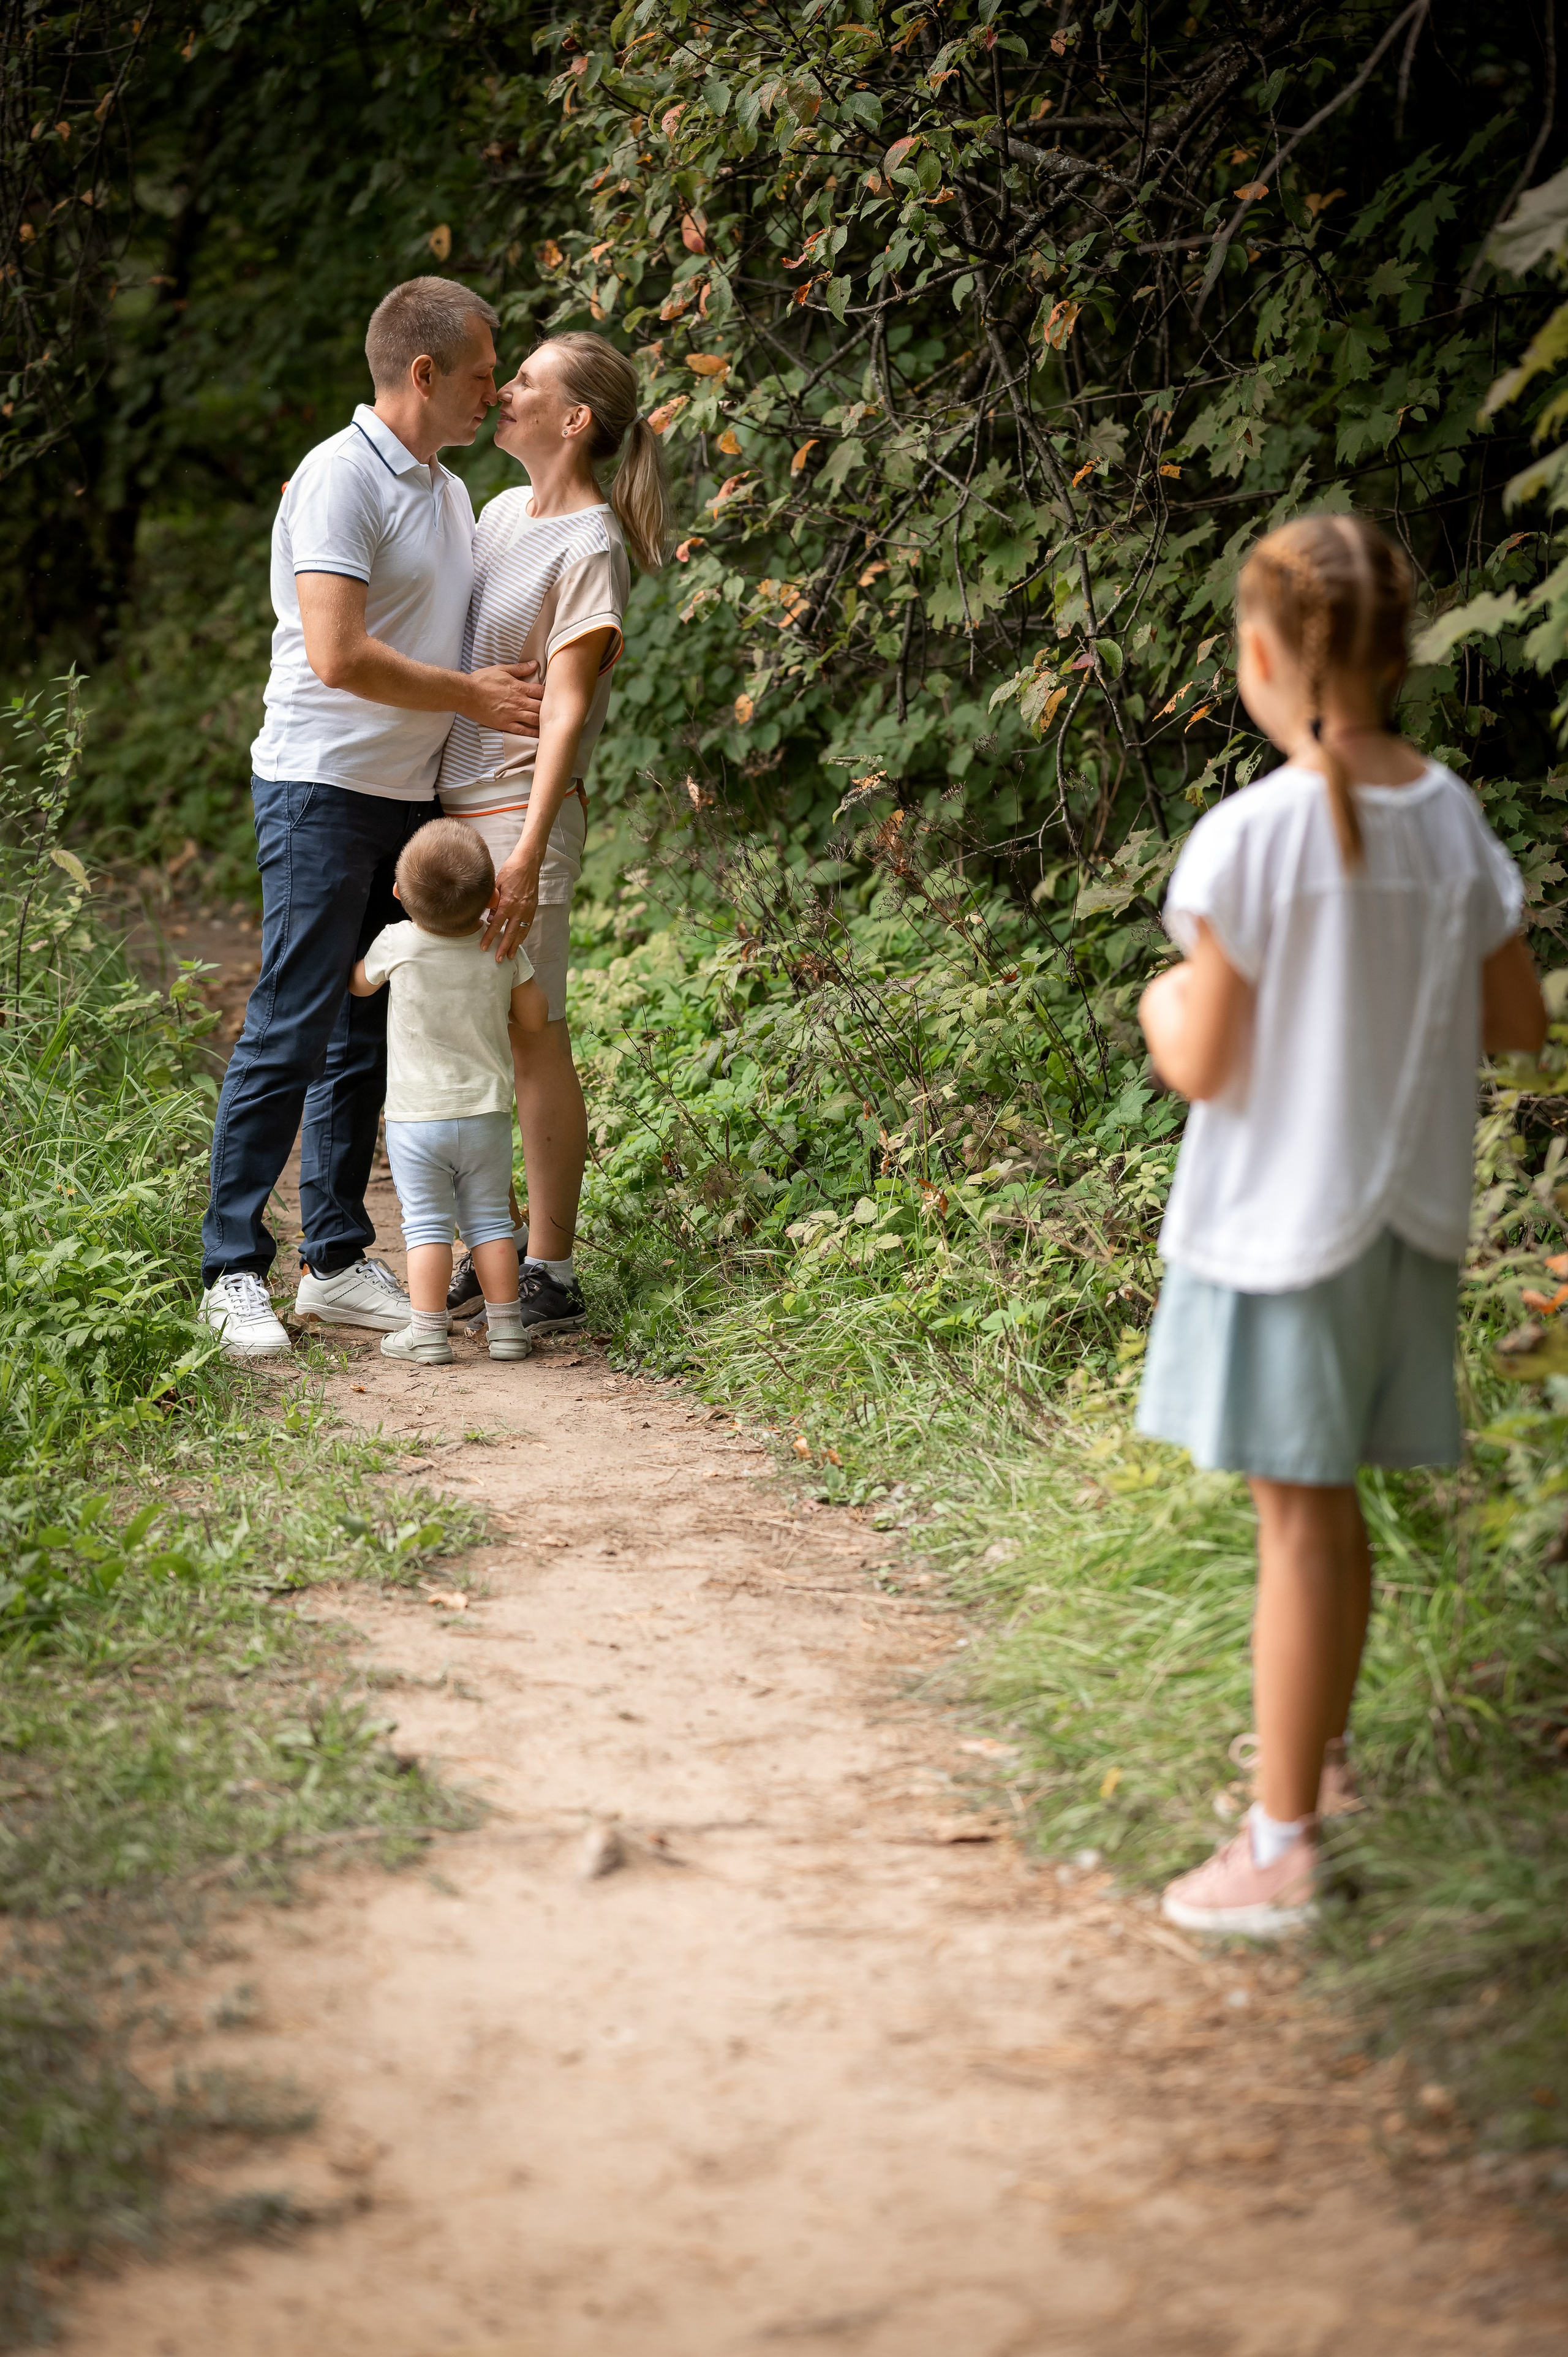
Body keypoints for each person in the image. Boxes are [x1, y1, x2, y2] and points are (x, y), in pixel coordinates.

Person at [1135, 512, 1547, 1939]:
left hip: (1278, 1228)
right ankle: (1312, 1767)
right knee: (1327, 1515)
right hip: (1403, 1224)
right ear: (1395, 653)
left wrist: (1156, 1000)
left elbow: (1200, 1059)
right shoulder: (1448, 816)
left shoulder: (1246, 838)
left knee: (1295, 1528)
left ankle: (1280, 1845)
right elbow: (1516, 1021)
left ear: (1259, 654)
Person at [198, 276, 545, 1359]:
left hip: (406, 794)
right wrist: (473, 697)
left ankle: (337, 1262)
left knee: (364, 1034)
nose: (496, 390)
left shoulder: (442, 488)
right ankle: (228, 1268)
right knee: (294, 1019)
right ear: (425, 372)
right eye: (485, 373)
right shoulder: (341, 478)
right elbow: (338, 652)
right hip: (319, 785)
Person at [435, 331, 669, 1339]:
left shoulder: (592, 544)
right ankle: (486, 1250)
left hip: (520, 811)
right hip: (451, 806)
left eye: (525, 381)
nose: (504, 392)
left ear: (575, 420)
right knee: (469, 1036)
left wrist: (528, 851)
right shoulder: (492, 514)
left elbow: (567, 713)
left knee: (534, 1034)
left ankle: (552, 1271)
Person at [349, 819, 548, 1364]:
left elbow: (359, 982)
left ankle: (427, 1333)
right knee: (490, 1222)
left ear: (397, 895)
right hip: (485, 1113)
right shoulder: (499, 945)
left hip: (418, 1119)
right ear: (492, 896)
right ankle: (507, 1332)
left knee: (427, 1226)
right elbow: (535, 1019)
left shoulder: (398, 943)